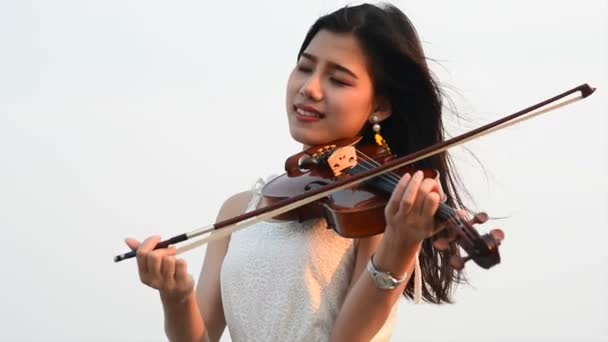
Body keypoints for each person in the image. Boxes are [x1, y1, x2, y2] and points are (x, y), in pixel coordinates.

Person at [126, 3, 480, 341]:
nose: (309, 88)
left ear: (380, 105)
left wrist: (402, 243)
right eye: (305, 67)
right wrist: (176, 296)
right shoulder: (239, 210)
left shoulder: (379, 210)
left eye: (338, 80)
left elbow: (349, 338)